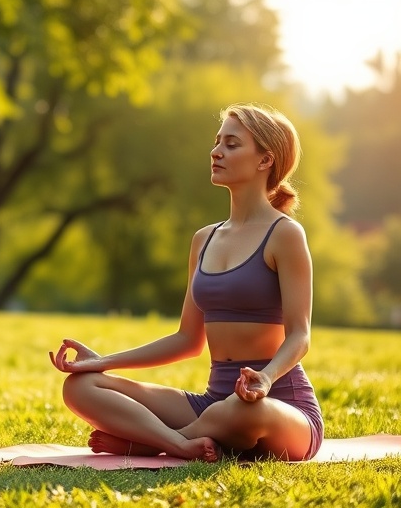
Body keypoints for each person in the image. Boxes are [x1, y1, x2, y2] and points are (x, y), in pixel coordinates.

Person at [50, 103, 323, 462]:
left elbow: (300, 335)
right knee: (81, 387)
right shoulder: (204, 239)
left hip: (278, 406)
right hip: (212, 403)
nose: (216, 151)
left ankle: (153, 443)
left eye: (231, 144)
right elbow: (187, 340)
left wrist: (267, 378)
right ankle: (181, 443)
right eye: (217, 142)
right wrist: (102, 362)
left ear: (265, 160)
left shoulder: (285, 234)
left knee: (240, 411)